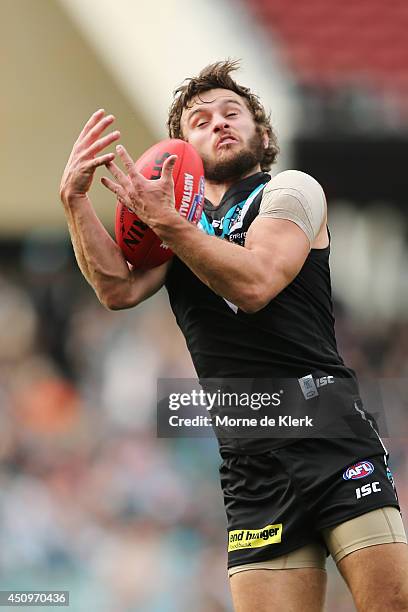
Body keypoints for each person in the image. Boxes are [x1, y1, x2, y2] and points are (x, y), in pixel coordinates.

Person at [59, 60, 408, 612]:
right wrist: (76, 202)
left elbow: (256, 282)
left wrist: (169, 223)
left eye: (232, 113)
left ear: (262, 135)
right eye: (200, 120)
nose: (218, 123)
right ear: (183, 148)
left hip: (330, 436)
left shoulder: (290, 190)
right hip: (250, 458)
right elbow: (118, 290)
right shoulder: (177, 221)